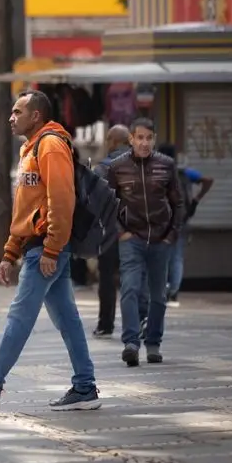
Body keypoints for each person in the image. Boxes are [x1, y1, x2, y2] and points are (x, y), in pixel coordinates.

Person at [0, 90, 101, 412]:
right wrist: (9, 252)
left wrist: (51, 247)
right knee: (68, 319)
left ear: (35, 116)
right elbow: (25, 207)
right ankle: (85, 387)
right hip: (39, 246)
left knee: (20, 316)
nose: (11, 117)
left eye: (17, 112)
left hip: (46, 248)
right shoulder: (30, 149)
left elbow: (61, 200)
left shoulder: (50, 145)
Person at [103, 117, 185, 367]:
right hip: (132, 238)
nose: (144, 143)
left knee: (158, 295)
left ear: (154, 139)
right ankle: (131, 343)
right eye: (140, 138)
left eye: (149, 138)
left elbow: (178, 203)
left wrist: (171, 234)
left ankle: (153, 343)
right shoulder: (118, 167)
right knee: (129, 288)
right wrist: (120, 231)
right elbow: (108, 204)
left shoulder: (166, 165)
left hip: (161, 239)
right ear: (131, 139)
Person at [156, 143, 213, 306]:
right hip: (181, 220)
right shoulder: (185, 173)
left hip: (161, 221)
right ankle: (173, 293)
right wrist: (196, 200)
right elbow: (208, 180)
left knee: (161, 256)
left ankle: (163, 290)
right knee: (177, 257)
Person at [91, 125, 131, 338]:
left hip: (108, 234)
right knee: (134, 278)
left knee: (106, 279)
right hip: (137, 232)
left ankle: (106, 324)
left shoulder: (102, 169)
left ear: (111, 141)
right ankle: (138, 323)